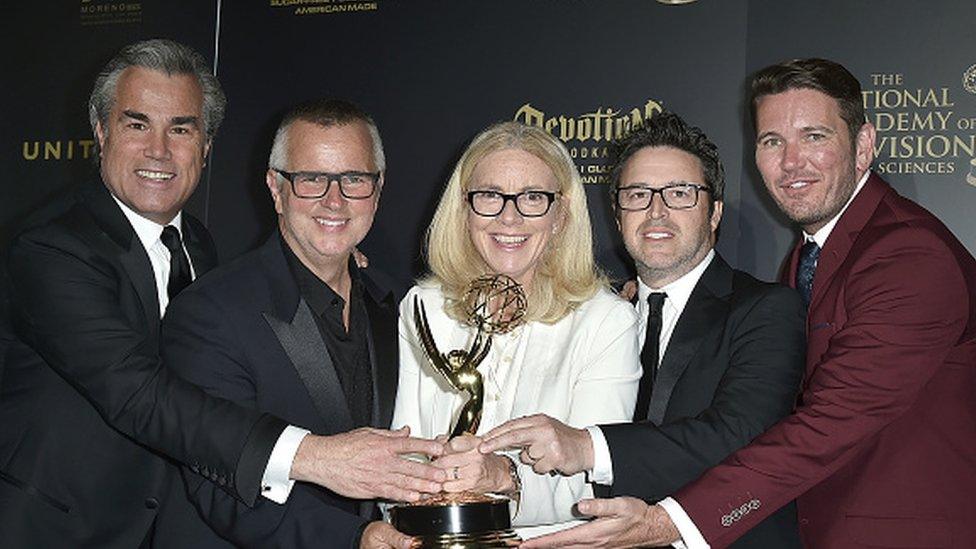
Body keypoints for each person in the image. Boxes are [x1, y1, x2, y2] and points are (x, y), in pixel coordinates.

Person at [0, 39, 442, 548]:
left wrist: (332, 253)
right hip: (66, 528)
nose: (159, 150)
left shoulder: (200, 247)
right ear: (101, 132)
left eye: (182, 128)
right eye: (137, 123)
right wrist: (314, 456)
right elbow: (139, 393)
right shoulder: (51, 249)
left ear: (206, 147)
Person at [520, 58, 976, 549]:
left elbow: (826, 425)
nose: (791, 161)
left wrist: (668, 522)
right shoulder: (810, 256)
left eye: (814, 137)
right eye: (772, 142)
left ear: (863, 145)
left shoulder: (907, 255)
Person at [480, 112, 805, 548]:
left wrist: (587, 447)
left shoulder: (766, 309)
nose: (656, 211)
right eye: (637, 194)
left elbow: (737, 437)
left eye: (679, 193)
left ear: (714, 213)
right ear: (617, 215)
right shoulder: (594, 314)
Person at [162, 98, 421, 548]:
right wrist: (356, 538)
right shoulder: (209, 312)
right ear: (276, 188)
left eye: (353, 179)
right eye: (312, 179)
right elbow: (221, 485)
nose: (334, 200)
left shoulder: (398, 302)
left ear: (377, 191)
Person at [391, 121, 642, 539]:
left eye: (532, 198)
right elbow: (403, 450)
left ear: (561, 214)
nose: (509, 217)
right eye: (489, 196)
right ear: (464, 209)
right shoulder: (423, 308)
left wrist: (502, 475)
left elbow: (595, 480)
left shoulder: (606, 321)